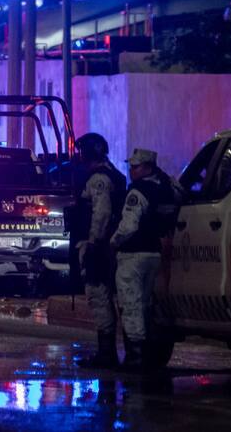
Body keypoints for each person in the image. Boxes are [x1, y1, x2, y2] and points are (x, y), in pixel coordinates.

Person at [109, 149, 180, 370]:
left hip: (133, 254)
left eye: (136, 167)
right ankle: (147, 353)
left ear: (148, 167)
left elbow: (129, 226)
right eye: (131, 166)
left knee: (131, 304)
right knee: (145, 303)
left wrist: (113, 242)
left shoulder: (138, 191)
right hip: (155, 254)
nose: (131, 171)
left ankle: (135, 356)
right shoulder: (167, 187)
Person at [73, 133, 127, 369]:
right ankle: (109, 352)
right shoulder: (110, 174)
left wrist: (94, 243)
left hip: (99, 246)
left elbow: (101, 213)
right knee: (104, 296)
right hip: (106, 246)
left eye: (81, 151)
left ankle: (107, 354)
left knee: (98, 296)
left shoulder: (99, 179)